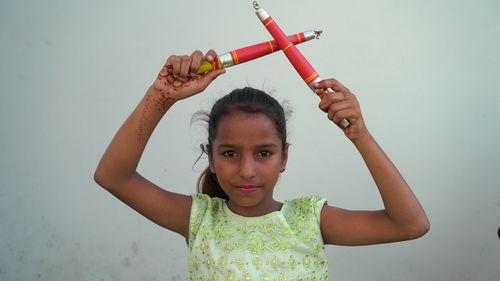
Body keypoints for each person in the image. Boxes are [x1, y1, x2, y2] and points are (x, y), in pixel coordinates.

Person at [94, 49, 430, 280]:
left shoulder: (309, 220)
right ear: (210, 158)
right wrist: (160, 95)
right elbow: (112, 176)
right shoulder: (199, 221)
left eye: (264, 153)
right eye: (229, 153)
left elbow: (410, 225)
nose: (247, 170)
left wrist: (360, 135)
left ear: (284, 157)